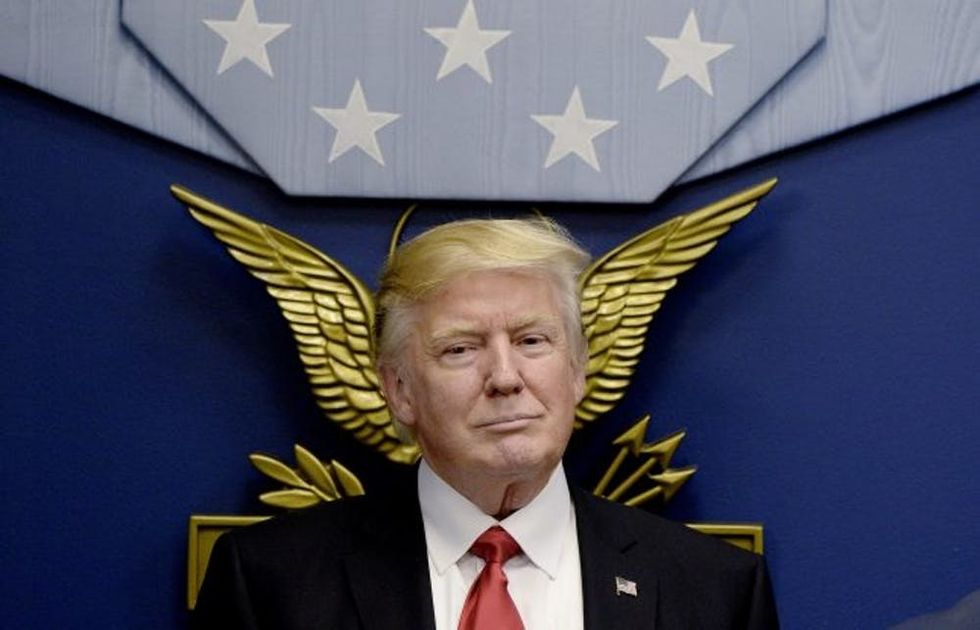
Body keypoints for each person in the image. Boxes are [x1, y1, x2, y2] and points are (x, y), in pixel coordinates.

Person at [192, 217, 779, 629]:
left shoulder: (716, 591)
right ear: (399, 390)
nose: (504, 377)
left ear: (578, 370)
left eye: (532, 340)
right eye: (460, 349)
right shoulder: (270, 583)